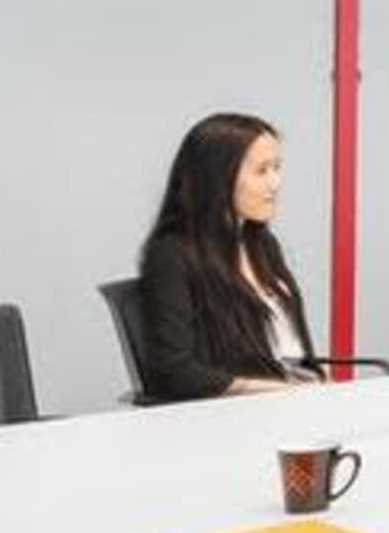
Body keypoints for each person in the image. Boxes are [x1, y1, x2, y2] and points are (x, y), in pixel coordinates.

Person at [135, 111, 326, 401]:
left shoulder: (263, 245)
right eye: (262, 171)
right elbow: (171, 369)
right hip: (241, 414)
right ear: (217, 178)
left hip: (294, 399)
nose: (275, 183)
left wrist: (317, 387)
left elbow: (295, 353)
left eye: (277, 168)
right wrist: (277, 389)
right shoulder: (172, 253)